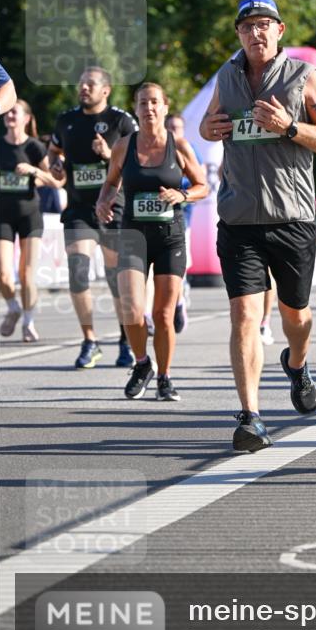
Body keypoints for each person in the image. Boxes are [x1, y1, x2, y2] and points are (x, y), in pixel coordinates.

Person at [199, 0, 316, 452]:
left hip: (291, 217)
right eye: (248, 26)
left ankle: (297, 365)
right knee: (244, 316)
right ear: (238, 34)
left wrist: (290, 127)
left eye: (265, 25)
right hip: (238, 217)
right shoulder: (227, 74)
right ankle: (250, 417)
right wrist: (212, 129)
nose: (256, 33)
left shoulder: (304, 77)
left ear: (279, 31)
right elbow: (205, 125)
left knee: (295, 317)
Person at [96, 83, 208, 401]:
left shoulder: (180, 145)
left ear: (165, 106)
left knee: (162, 314)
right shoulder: (123, 146)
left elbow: (203, 186)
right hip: (132, 236)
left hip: (169, 237)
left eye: (155, 102)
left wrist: (182, 194)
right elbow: (111, 183)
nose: (149, 108)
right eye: (143, 103)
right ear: (136, 108)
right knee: (131, 311)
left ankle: (165, 377)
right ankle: (142, 363)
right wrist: (103, 202)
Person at [48, 67, 138, 368]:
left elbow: (137, 163)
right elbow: (54, 151)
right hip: (78, 209)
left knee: (116, 281)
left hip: (113, 207)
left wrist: (109, 154)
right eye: (81, 83)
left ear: (105, 90)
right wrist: (56, 166)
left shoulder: (121, 120)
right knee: (77, 270)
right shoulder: (66, 120)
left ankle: (127, 339)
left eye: (91, 84)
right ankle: (90, 340)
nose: (83, 88)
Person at [0, 100, 61, 341]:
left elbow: (55, 181)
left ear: (26, 118)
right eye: (7, 112)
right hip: (2, 213)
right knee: (2, 273)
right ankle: (13, 308)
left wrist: (34, 171)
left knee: (26, 273)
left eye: (15, 112)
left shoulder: (34, 147)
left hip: (29, 214)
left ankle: (29, 321)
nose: (10, 115)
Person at [165, 112, 202, 334]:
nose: (173, 131)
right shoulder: (154, 148)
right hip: (152, 218)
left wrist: (179, 192)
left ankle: (178, 303)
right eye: (169, 127)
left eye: (177, 127)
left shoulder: (189, 149)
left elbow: (200, 183)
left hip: (181, 218)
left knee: (177, 268)